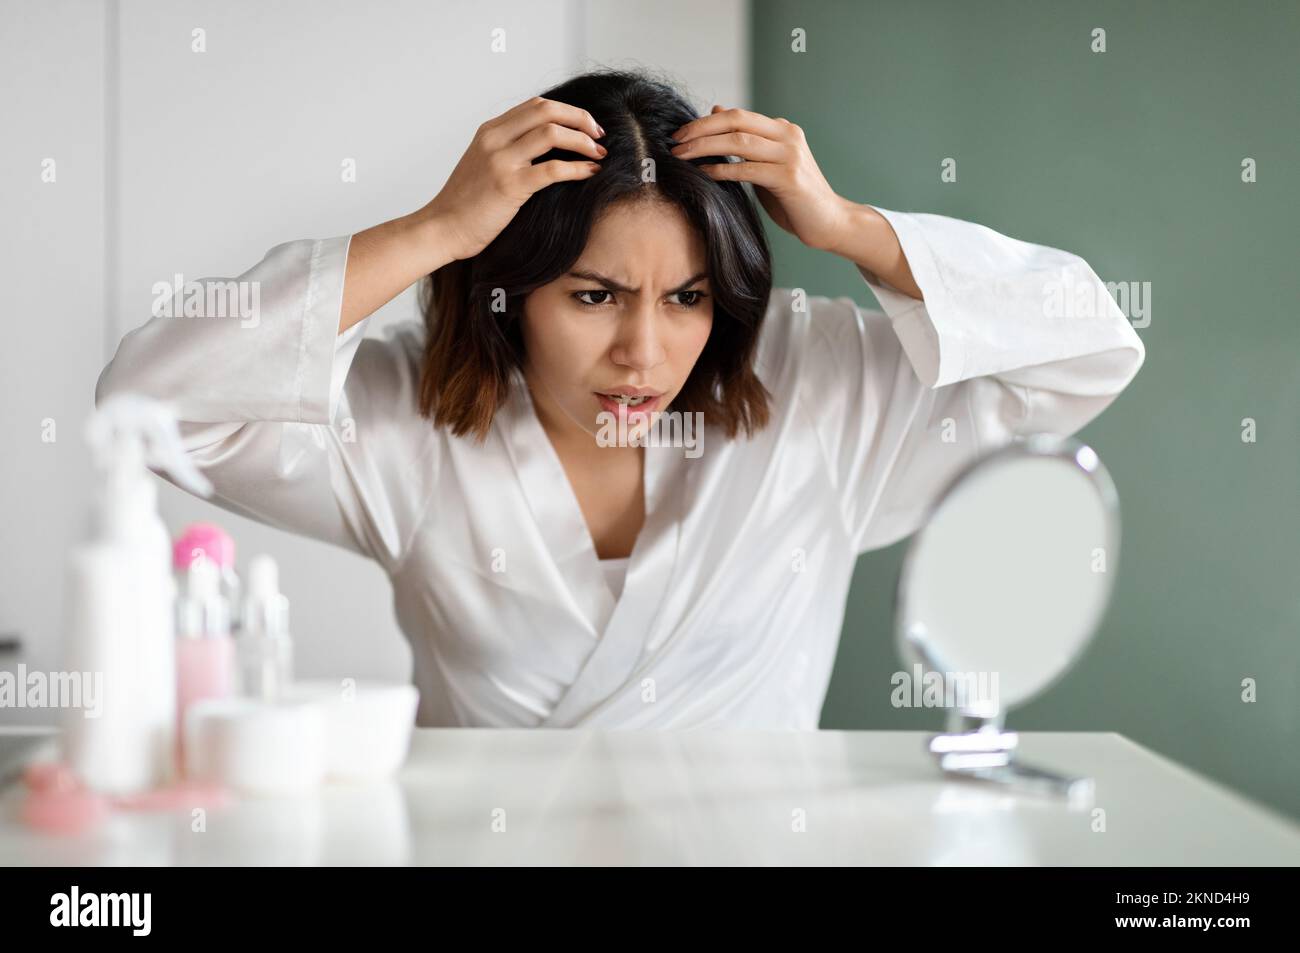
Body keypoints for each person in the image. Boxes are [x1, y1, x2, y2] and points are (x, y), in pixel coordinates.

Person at [96, 69, 1145, 729]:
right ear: (509, 294)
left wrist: (844, 225)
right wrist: (434, 230)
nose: (646, 352)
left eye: (688, 297)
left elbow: (1088, 349)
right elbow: (149, 401)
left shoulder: (819, 385)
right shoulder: (406, 419)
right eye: (594, 296)